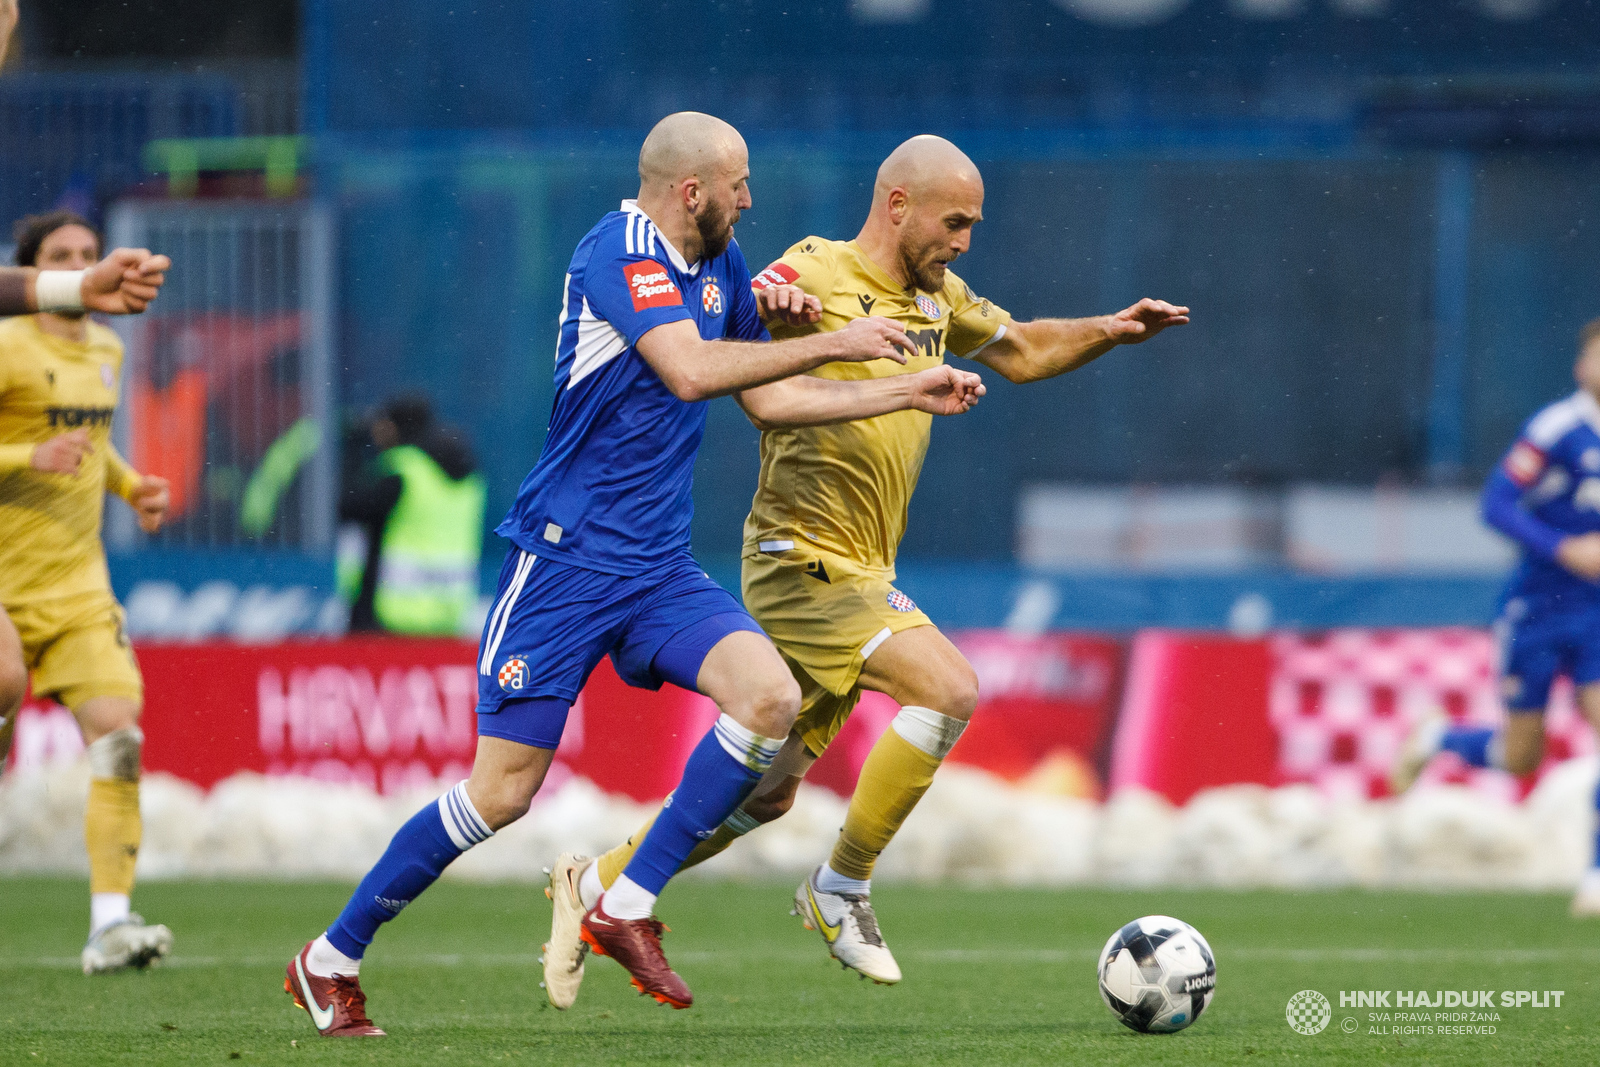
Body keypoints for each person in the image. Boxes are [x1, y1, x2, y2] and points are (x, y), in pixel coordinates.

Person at [283, 111, 985, 1037]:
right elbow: (693, 370)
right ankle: (330, 957)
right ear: (692, 191)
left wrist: (901, 386)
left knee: (770, 701)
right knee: (501, 792)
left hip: (656, 567)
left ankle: (623, 898)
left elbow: (766, 395)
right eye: (739, 183)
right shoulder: (616, 251)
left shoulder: (724, 265)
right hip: (564, 564)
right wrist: (835, 341)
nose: (751, 199)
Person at [550, 134, 1187, 1000]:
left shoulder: (938, 298)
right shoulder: (812, 269)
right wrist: (765, 298)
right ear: (898, 205)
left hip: (856, 563)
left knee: (765, 795)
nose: (964, 242)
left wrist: (1109, 331)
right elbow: (731, 346)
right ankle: (841, 884)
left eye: (974, 226)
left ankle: (598, 884)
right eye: (954, 222)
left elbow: (1025, 349)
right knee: (949, 687)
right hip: (800, 556)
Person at [0, 211, 173, 972]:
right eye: (61, 256)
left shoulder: (107, 347)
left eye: (86, 253)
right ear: (31, 270)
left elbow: (92, 445)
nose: (79, 263)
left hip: (76, 582)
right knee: (4, 681)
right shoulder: (6, 345)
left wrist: (132, 485)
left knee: (120, 738)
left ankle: (110, 924)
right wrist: (25, 453)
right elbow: (47, 448)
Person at [1392, 318, 1600, 917]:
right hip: (1538, 608)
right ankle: (1439, 739)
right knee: (1522, 756)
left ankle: (1595, 873)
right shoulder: (1556, 429)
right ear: (1579, 368)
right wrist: (1563, 547)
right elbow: (1496, 503)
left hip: (1596, 615)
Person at [338, 394, 486, 635]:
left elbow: (348, 508)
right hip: (448, 615)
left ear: (393, 427)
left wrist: (353, 452)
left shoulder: (402, 470)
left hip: (392, 617)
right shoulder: (466, 473)